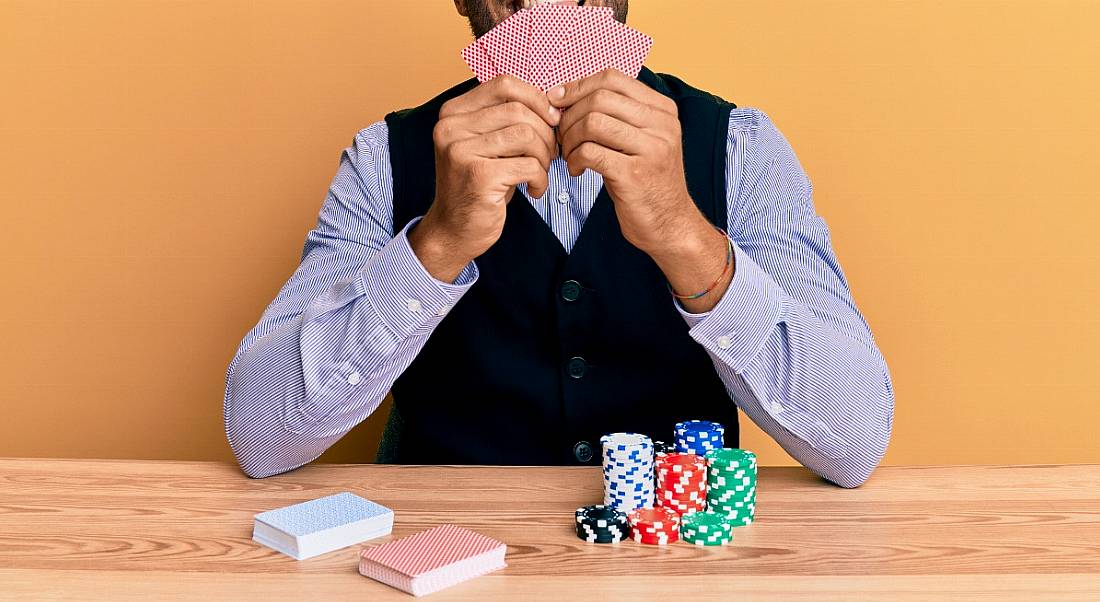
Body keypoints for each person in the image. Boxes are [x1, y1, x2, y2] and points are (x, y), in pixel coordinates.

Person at [223, 0, 894, 487]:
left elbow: (855, 440)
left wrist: (684, 235)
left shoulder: (740, 146)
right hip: (446, 567)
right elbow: (259, 436)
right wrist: (435, 245)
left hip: (670, 567)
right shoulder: (384, 158)